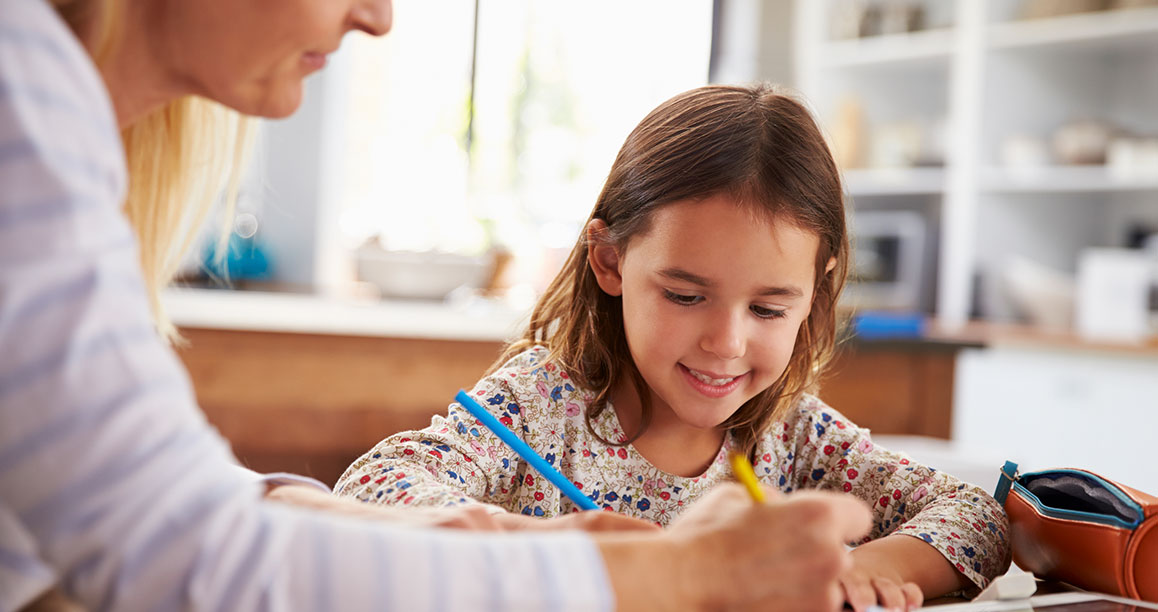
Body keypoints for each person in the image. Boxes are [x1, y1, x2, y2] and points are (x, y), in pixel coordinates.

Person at [0, 0, 877, 610]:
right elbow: (179, 564)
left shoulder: (43, 108)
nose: (378, 12)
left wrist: (293, 506)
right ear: (608, 263)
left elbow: (136, 512)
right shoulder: (17, 105)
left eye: (768, 305)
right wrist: (683, 579)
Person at [335, 84, 1013, 611]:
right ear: (609, 261)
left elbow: (975, 516)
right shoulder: (537, 407)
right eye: (686, 296)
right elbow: (370, 491)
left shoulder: (796, 436)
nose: (726, 341)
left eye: (770, 308)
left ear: (817, 289)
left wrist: (868, 568)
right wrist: (578, 555)